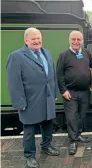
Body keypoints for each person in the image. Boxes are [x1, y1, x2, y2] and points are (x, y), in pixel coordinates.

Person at [6, 27, 60, 168]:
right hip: (30, 101)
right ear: (26, 40)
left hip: (47, 98)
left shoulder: (46, 52)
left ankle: (46, 146)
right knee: (29, 129)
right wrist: (19, 102)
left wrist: (53, 94)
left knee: (48, 124)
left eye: (38, 38)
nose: (37, 41)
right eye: (33, 39)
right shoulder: (16, 56)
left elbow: (52, 75)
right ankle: (29, 156)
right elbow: (14, 82)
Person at [56, 31, 92, 155]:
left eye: (79, 39)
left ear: (82, 41)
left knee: (81, 116)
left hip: (84, 91)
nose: (76, 42)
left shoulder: (86, 53)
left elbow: (91, 69)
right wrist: (63, 90)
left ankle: (78, 134)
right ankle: (73, 141)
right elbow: (59, 75)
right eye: (74, 39)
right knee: (71, 117)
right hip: (70, 92)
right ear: (69, 40)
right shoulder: (64, 55)